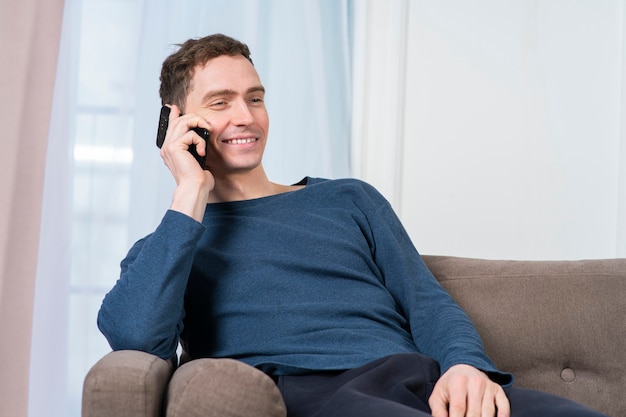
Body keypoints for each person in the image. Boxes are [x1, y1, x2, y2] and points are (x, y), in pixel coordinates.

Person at [98, 34, 607, 417]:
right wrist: (190, 192)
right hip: (315, 392)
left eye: (255, 98)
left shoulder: (348, 198)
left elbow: (424, 300)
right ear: (176, 123)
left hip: (418, 379)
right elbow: (136, 338)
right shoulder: (169, 242)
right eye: (220, 102)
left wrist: (464, 365)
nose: (246, 116)